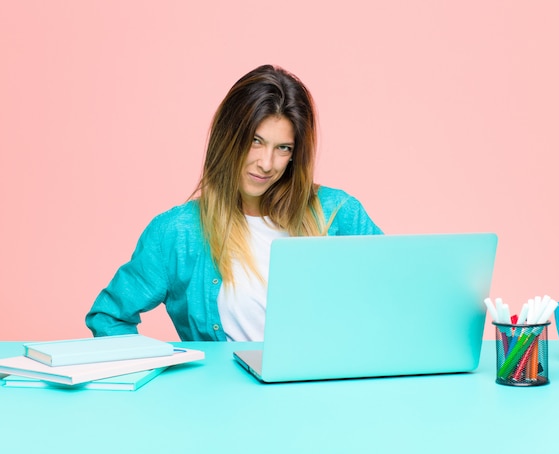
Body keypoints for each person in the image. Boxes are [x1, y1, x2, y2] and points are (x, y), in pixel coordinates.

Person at [86, 64, 382, 342]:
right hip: (224, 396)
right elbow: (109, 317)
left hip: (321, 392)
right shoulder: (178, 233)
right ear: (228, 137)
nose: (266, 164)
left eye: (283, 148)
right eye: (255, 141)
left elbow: (397, 295)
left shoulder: (340, 214)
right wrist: (166, 377)